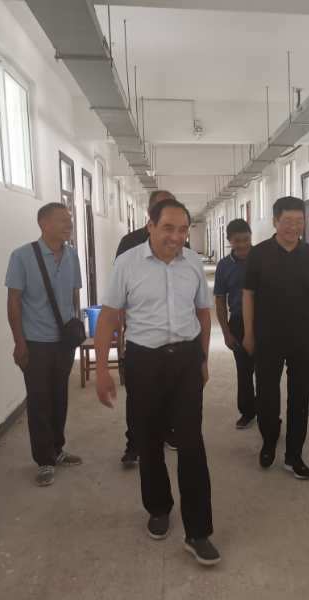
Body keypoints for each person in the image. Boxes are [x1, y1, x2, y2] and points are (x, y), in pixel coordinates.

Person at [94, 198, 220, 566]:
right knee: (148, 439)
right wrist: (101, 370)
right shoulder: (127, 263)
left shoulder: (192, 262)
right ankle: (159, 507)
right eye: (168, 228)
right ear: (149, 226)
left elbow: (203, 313)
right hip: (144, 361)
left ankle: (198, 531)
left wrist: (203, 359)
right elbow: (109, 318)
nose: (176, 237)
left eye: (182, 230)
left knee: (191, 442)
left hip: (185, 359)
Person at [242, 196, 309, 480]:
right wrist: (248, 333)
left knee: (299, 397)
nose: (294, 227)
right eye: (288, 221)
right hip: (267, 337)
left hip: (302, 337)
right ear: (275, 221)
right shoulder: (259, 254)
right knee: (267, 395)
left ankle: (294, 455)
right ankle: (269, 442)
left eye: (299, 221)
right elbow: (248, 294)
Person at [5, 203, 84, 487]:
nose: (69, 225)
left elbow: (74, 294)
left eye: (70, 220)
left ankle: (57, 449)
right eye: (63, 220)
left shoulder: (72, 256)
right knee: (39, 401)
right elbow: (14, 302)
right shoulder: (22, 257)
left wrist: (74, 326)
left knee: (60, 396)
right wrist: (19, 342)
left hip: (64, 343)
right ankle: (44, 460)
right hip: (36, 342)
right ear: (43, 224)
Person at [116, 189, 178, 467]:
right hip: (140, 332)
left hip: (173, 331)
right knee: (138, 393)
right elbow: (118, 289)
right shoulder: (129, 243)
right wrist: (121, 329)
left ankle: (166, 431)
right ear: (150, 213)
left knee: (169, 387)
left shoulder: (178, 242)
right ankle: (135, 444)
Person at [213, 219, 256, 429]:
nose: (242, 245)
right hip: (238, 322)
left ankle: (267, 410)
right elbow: (220, 300)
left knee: (267, 371)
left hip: (265, 321)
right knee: (244, 370)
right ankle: (247, 411)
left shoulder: (262, 258)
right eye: (237, 241)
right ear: (229, 240)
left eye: (246, 239)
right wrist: (226, 332)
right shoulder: (224, 266)